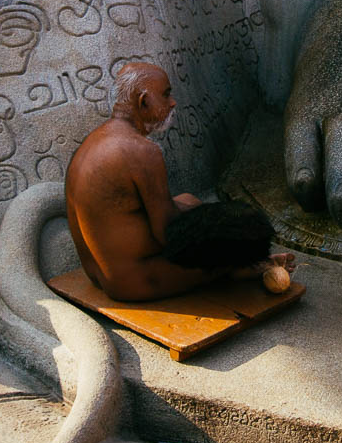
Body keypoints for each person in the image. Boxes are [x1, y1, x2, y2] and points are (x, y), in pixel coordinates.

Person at [66, 62, 294, 301]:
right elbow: (168, 236)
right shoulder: (141, 151)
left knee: (189, 200)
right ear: (144, 102)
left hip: (97, 273)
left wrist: (195, 211)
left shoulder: (94, 140)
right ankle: (242, 268)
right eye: (165, 94)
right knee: (236, 227)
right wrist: (231, 242)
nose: (173, 102)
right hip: (132, 283)